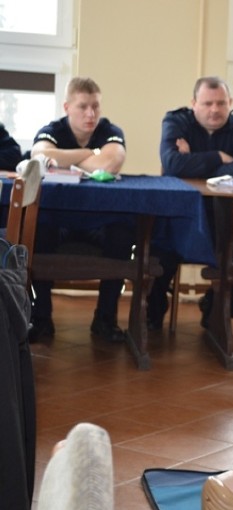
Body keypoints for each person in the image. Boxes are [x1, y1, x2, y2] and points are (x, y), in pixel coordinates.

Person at [153, 76, 233, 330]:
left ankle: (215, 307)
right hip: (180, 218)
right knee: (155, 255)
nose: (215, 110)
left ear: (230, 103)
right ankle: (152, 315)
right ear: (193, 103)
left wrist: (194, 162)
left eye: (221, 103)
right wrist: (219, 157)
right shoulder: (176, 121)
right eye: (207, 103)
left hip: (227, 219)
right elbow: (173, 165)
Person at [28, 77, 132, 344]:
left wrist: (62, 157)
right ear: (67, 107)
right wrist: (89, 152)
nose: (91, 114)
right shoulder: (52, 129)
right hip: (59, 220)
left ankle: (105, 320)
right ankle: (40, 319)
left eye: (96, 106)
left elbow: (110, 164)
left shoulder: (110, 129)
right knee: (38, 232)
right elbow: (38, 156)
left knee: (123, 234)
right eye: (83, 106)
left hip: (98, 221)